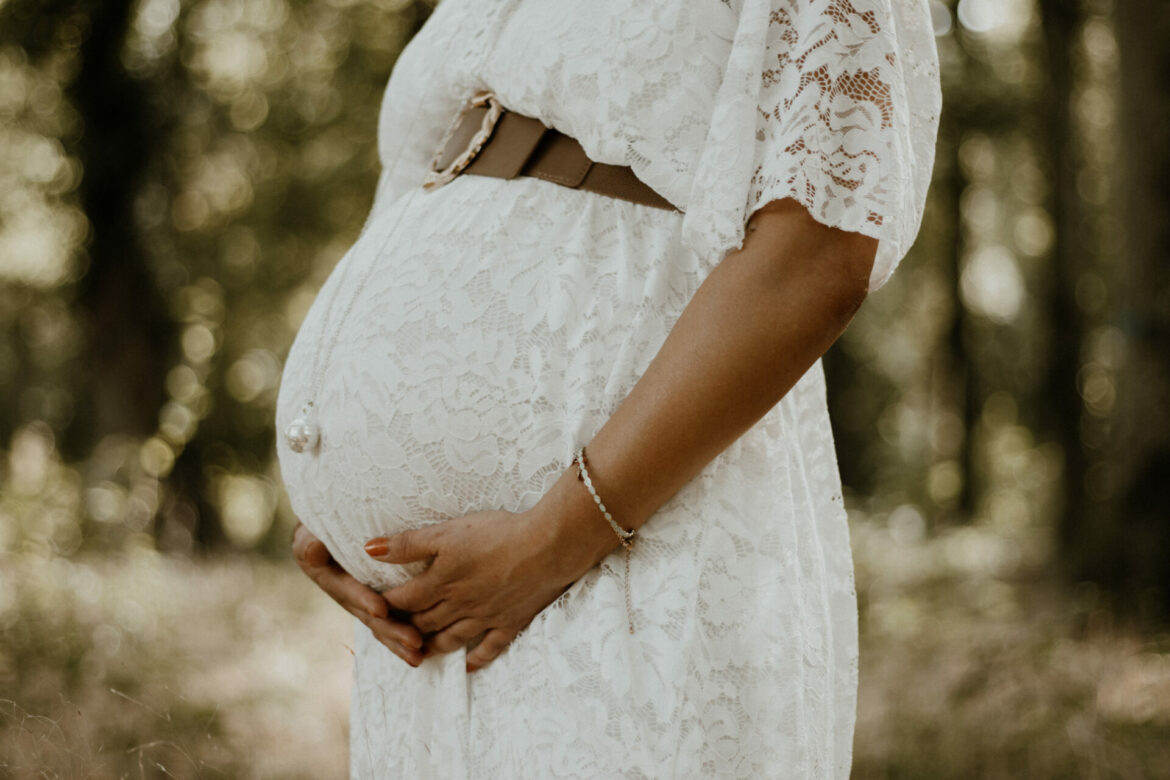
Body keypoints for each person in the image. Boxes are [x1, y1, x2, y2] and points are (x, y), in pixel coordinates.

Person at [276, 0, 941, 776]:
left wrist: (556, 537)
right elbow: (416, 202)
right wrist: (341, 502)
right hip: (422, 645)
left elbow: (819, 247)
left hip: (626, 555)